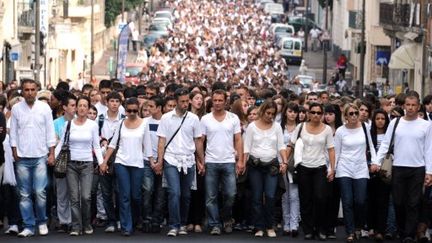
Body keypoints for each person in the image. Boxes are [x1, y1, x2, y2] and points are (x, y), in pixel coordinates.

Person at [372, 91, 432, 243]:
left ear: (418, 106)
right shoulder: (395, 123)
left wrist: (429, 171)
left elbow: (429, 149)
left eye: (413, 105)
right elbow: (386, 143)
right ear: (404, 105)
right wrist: (377, 162)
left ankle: (409, 235)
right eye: (408, 105)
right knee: (398, 202)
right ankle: (402, 229)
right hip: (398, 167)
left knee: (413, 203)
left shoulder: (426, 125)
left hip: (418, 168)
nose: (410, 108)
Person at [155, 88, 205, 237]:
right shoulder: (166, 118)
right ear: (176, 102)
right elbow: (161, 141)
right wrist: (160, 160)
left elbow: (198, 141)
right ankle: (174, 225)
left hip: (189, 160)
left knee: (186, 195)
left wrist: (201, 161)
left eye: (186, 101)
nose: (185, 104)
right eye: (182, 101)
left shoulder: (194, 119)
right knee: (174, 193)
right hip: (171, 158)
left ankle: (183, 223)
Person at [10, 79, 56, 237]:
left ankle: (42, 221)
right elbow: (13, 132)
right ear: (22, 91)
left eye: (32, 89)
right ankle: (28, 225)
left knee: (40, 192)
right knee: (24, 194)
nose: (29, 92)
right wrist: (14, 151)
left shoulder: (44, 108)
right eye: (26, 90)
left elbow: (50, 132)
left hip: (40, 155)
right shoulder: (16, 108)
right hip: (22, 156)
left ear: (37, 90)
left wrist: (51, 153)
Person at [100, 97, 153, 236]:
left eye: (135, 110)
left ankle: (135, 220)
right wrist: (104, 161)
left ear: (138, 110)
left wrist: (152, 161)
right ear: (126, 110)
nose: (132, 113)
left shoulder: (144, 124)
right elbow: (112, 144)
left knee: (136, 196)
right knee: (124, 196)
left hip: (138, 163)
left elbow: (147, 146)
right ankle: (126, 226)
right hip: (121, 162)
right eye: (129, 110)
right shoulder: (121, 123)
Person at [286, 102, 336, 240]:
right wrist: (285, 161)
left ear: (322, 115)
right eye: (313, 112)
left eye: (319, 113)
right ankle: (308, 229)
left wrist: (332, 168)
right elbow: (291, 144)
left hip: (320, 167)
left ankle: (320, 228)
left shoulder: (326, 129)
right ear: (308, 114)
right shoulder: (300, 127)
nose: (315, 115)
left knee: (321, 198)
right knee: (305, 199)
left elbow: (331, 149)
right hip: (303, 168)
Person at [56, 96, 103, 236]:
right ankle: (76, 226)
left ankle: (87, 223)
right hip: (70, 164)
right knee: (74, 197)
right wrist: (53, 156)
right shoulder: (68, 124)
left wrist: (101, 163)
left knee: (86, 196)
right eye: (80, 105)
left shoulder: (93, 125)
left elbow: (96, 146)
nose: (82, 108)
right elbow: (61, 143)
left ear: (88, 108)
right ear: (76, 108)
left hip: (87, 164)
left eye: (85, 106)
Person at [201, 90, 244, 235]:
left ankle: (226, 218)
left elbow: (238, 139)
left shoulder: (233, 118)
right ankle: (215, 224)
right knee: (210, 196)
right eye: (215, 100)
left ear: (225, 101)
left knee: (231, 194)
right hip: (211, 161)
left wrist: (241, 160)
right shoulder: (205, 119)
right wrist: (201, 160)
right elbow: (201, 140)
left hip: (229, 161)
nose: (218, 103)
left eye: (220, 100)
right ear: (212, 101)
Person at [243, 100, 288, 238]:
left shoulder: (277, 127)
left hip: (272, 166)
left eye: (273, 114)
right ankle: (258, 227)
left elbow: (281, 146)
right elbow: (247, 147)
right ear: (262, 111)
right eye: (268, 113)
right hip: (255, 165)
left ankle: (270, 226)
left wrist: (285, 162)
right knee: (256, 197)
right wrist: (243, 163)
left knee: (270, 196)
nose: (270, 116)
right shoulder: (251, 126)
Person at [334, 103, 376, 242]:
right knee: (347, 201)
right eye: (350, 113)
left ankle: (358, 226)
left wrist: (375, 162)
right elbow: (337, 151)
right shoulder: (340, 131)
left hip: (361, 168)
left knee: (360, 200)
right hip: (344, 167)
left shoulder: (365, 127)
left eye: (356, 113)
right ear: (345, 116)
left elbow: (371, 146)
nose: (354, 116)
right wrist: (333, 169)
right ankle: (350, 231)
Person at [53, 94, 77, 233]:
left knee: (75, 193)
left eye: (76, 105)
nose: (75, 109)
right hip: (61, 160)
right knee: (62, 192)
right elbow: (53, 141)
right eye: (72, 105)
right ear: (64, 107)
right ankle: (64, 221)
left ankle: (75, 220)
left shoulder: (80, 122)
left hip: (76, 160)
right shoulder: (56, 123)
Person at [142, 96, 166, 233]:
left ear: (159, 108)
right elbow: (144, 142)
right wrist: (152, 161)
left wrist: (160, 161)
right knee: (147, 190)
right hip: (147, 161)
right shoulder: (144, 122)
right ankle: (147, 219)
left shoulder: (167, 121)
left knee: (161, 193)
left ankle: (157, 220)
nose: (148, 109)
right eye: (147, 106)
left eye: (151, 106)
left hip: (163, 160)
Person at [367, 109, 391, 241]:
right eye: (377, 118)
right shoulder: (370, 135)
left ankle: (380, 229)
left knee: (383, 201)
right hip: (370, 171)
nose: (380, 121)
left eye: (383, 118)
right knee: (371, 200)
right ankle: (371, 226)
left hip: (385, 171)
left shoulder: (390, 135)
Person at [279, 102, 300, 236]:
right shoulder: (279, 127)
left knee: (294, 195)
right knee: (284, 195)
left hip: (295, 165)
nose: (292, 114)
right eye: (290, 111)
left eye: (295, 111)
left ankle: (294, 224)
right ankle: (286, 224)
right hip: (280, 164)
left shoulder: (301, 128)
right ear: (285, 112)